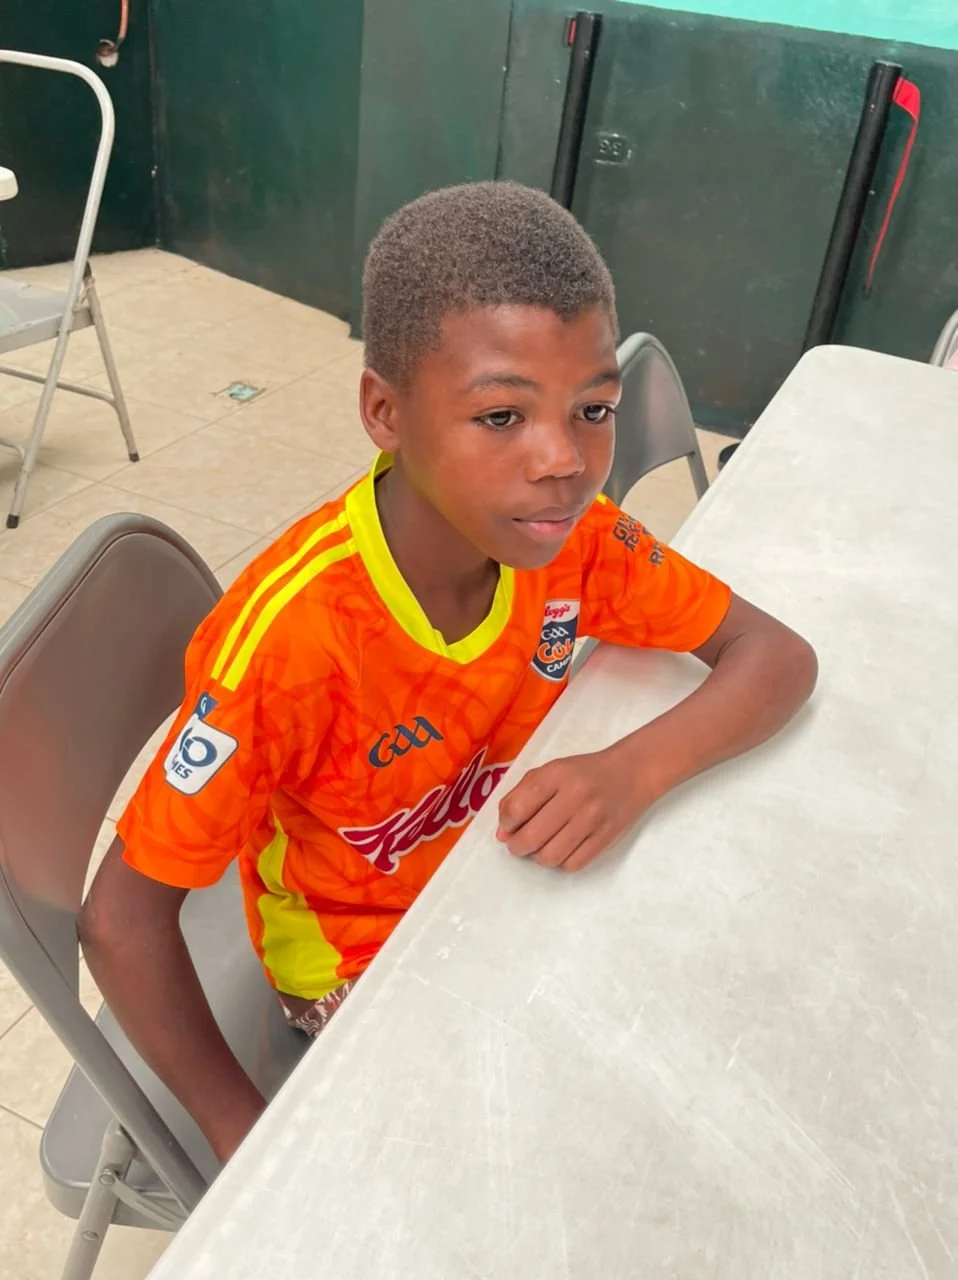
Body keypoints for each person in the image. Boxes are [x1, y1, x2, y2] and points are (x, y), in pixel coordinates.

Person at [79, 181, 817, 1163]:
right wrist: (242, 1138)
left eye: (593, 408)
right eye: (502, 416)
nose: (563, 460)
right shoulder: (294, 641)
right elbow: (120, 920)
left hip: (501, 876)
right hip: (364, 966)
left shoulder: (573, 541)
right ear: (384, 411)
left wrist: (632, 770)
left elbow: (776, 655)